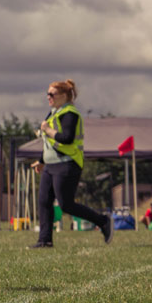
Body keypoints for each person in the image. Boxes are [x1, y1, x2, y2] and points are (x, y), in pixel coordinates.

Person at [30, 79, 113, 249]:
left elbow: (66, 138)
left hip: (67, 163)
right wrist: (41, 161)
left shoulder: (70, 113)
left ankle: (103, 221)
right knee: (44, 201)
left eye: (51, 94)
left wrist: (47, 130)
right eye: (47, 93)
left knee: (66, 204)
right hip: (51, 165)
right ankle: (44, 240)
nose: (48, 97)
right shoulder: (53, 113)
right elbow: (49, 143)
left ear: (64, 96)